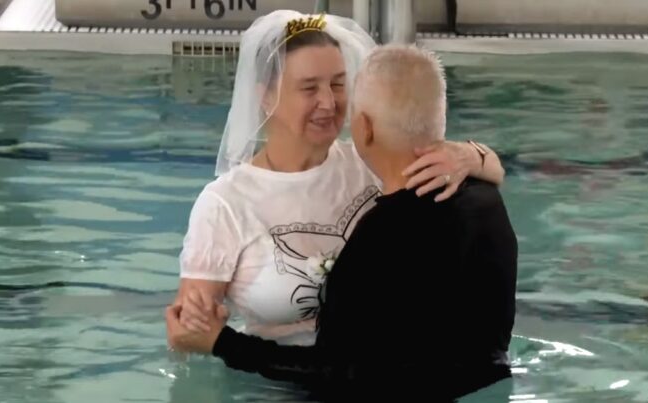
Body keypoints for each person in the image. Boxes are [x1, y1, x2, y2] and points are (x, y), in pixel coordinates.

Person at [167, 44, 519, 401]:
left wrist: (473, 155)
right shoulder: (225, 203)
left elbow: (344, 373)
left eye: (338, 85)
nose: (329, 101)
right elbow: (188, 331)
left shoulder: (370, 168)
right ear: (266, 96)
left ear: (363, 126)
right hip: (274, 387)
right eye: (309, 87)